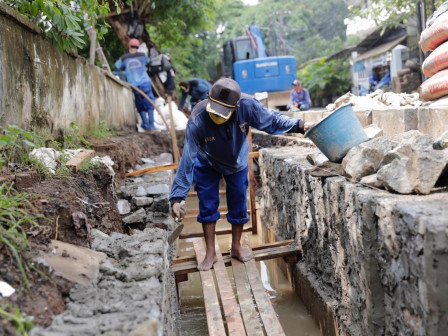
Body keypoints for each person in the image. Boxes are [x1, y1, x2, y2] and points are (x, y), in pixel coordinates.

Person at [169, 78, 313, 271]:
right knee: (207, 203)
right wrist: (177, 196)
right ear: (208, 99)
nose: (217, 116)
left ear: (235, 108)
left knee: (238, 201)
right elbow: (187, 159)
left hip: (237, 160)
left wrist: (300, 125)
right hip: (207, 160)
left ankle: (236, 246)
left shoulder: (248, 106)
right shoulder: (197, 119)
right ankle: (210, 252)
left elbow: (272, 120)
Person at [115, 38, 157, 131]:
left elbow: (117, 66)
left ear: (129, 46)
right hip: (145, 83)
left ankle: (145, 124)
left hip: (134, 85)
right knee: (150, 103)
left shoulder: (124, 58)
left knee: (140, 104)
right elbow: (149, 62)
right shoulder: (143, 55)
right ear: (138, 47)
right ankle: (152, 125)